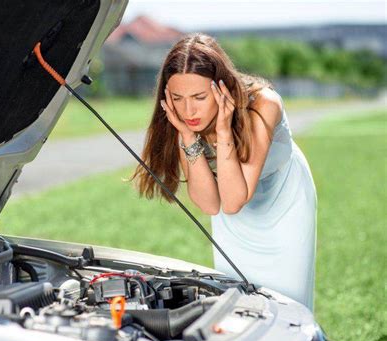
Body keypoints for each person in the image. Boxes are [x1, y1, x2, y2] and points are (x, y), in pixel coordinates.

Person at [131, 33, 317, 311]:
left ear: (222, 87)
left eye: (199, 97)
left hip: (284, 205)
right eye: (178, 98)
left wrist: (222, 130)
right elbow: (212, 204)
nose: (188, 109)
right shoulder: (184, 121)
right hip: (234, 209)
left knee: (287, 303)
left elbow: (233, 201)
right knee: (236, 302)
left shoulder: (263, 105)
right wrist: (188, 137)